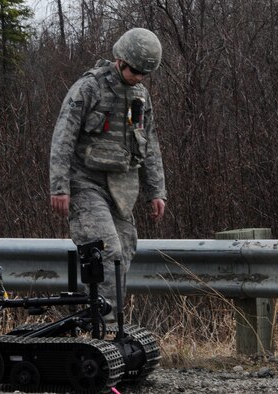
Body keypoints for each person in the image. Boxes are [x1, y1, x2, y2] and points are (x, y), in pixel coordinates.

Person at [49, 28, 167, 321]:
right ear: (120, 60)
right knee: (106, 251)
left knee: (124, 251)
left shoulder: (140, 96)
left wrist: (157, 191)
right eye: (135, 71)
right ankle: (105, 324)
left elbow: (149, 143)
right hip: (85, 181)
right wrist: (59, 187)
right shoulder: (89, 87)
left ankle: (103, 321)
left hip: (122, 186)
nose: (139, 77)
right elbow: (63, 137)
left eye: (144, 74)